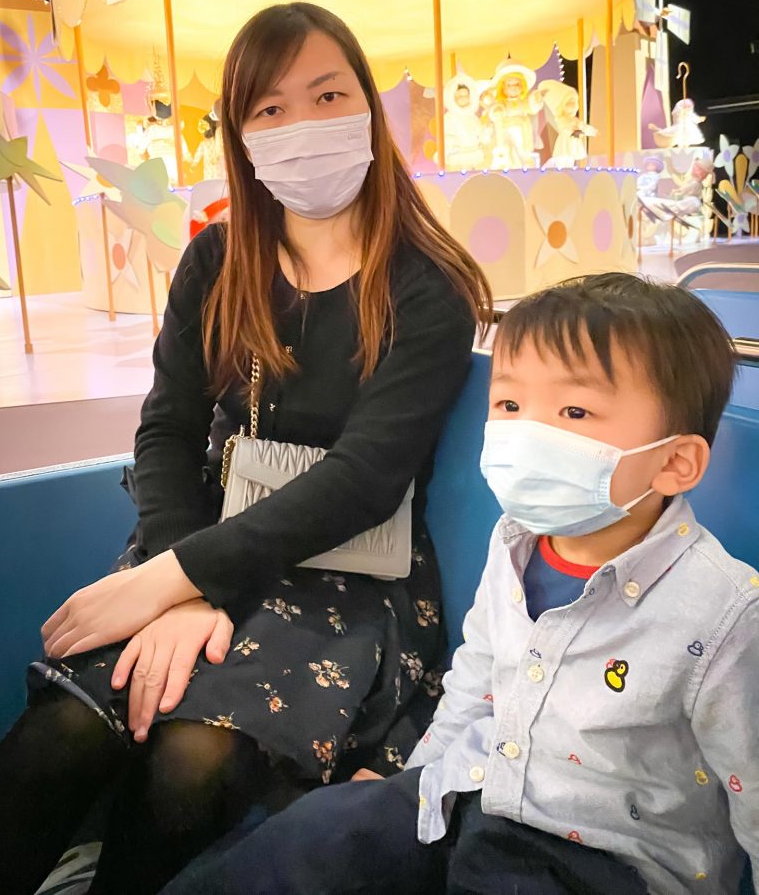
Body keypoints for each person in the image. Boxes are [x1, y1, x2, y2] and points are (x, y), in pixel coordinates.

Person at [0, 3, 492, 895]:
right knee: (68, 728)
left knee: (193, 757)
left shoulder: (426, 287)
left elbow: (363, 480)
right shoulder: (214, 262)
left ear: (368, 106)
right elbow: (166, 430)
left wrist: (179, 580)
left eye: (328, 95)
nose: (303, 123)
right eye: (270, 108)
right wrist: (180, 575)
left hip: (346, 574)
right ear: (242, 137)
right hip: (197, 541)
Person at [160, 273, 758, 895]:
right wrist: (409, 786)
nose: (526, 434)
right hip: (468, 791)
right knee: (307, 836)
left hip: (598, 859)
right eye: (510, 406)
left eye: (574, 411)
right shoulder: (514, 542)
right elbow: (476, 681)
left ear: (674, 463)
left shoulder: (724, 614)